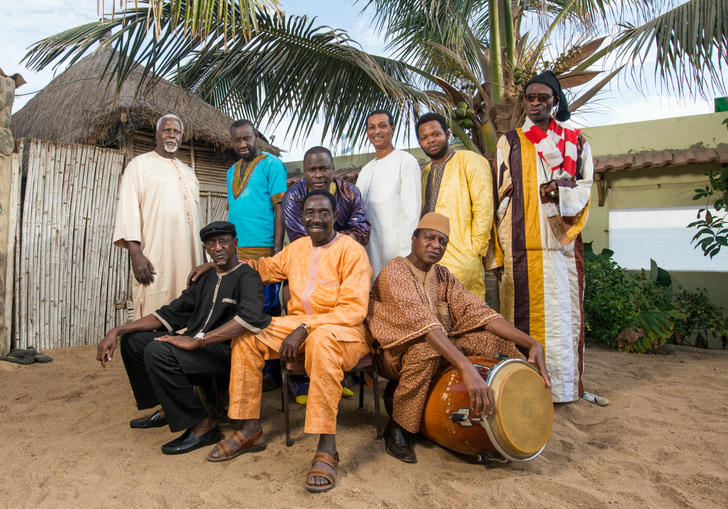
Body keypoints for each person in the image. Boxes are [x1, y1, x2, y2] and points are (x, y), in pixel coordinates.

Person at [206, 190, 373, 494]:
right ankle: (249, 429)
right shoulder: (296, 249)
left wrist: (307, 326)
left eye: (323, 213)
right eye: (309, 213)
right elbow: (264, 268)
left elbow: (353, 311)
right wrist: (221, 266)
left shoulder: (352, 251)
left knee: (321, 340)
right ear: (302, 217)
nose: (315, 219)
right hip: (297, 326)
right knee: (247, 335)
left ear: (334, 216)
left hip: (343, 332)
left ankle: (327, 447)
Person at [367, 212, 550, 463]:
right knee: (426, 350)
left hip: (442, 344)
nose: (436, 245)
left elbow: (480, 312)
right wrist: (465, 366)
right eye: (429, 238)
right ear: (413, 239)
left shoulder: (442, 276)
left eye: (442, 241)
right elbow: (425, 325)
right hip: (394, 354)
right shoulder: (395, 271)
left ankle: (516, 411)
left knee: (493, 342)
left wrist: (530, 343)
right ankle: (398, 426)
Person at [96, 221, 271, 455]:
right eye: (211, 243)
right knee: (135, 341)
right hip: (197, 350)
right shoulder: (205, 280)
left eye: (224, 241)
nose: (218, 247)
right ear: (206, 249)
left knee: (158, 351)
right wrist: (117, 331)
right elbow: (169, 313)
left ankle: (202, 426)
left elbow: (251, 318)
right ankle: (169, 407)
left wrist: (198, 340)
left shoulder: (247, 276)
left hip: (226, 355)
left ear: (235, 244)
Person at [493, 70, 603, 405]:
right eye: (530, 98)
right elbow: (500, 193)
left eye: (543, 97)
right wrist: (498, 249)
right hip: (519, 245)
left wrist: (558, 191)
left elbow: (584, 188)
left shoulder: (577, 141)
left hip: (561, 247)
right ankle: (522, 392)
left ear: (556, 101)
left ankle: (567, 388)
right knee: (519, 318)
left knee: (565, 320)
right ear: (523, 102)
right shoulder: (509, 141)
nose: (536, 103)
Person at [113, 114, 203, 319]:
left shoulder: (189, 172)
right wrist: (135, 254)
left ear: (181, 137)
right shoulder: (139, 165)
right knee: (155, 305)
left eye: (176, 131)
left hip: (189, 257)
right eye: (167, 130)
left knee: (188, 303)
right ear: (157, 134)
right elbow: (128, 211)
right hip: (154, 256)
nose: (172, 135)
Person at [417, 112, 494, 299]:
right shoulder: (425, 172)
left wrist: (475, 249)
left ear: (447, 134)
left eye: (436, 134)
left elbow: (484, 206)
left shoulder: (470, 160)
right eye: (425, 137)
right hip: (430, 260)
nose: (431, 141)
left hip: (463, 259)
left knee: (468, 315)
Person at [356, 110, 421, 278]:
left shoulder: (405, 162)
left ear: (392, 128)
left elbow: (412, 214)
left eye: (382, 126)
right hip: (370, 253)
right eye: (371, 127)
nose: (377, 131)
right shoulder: (365, 170)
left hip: (397, 254)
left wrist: (406, 257)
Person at [283, 146, 370, 246]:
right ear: (305, 172)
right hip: (309, 259)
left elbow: (362, 233)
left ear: (333, 169)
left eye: (323, 169)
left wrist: (323, 238)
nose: (318, 175)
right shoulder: (293, 197)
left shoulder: (350, 192)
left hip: (346, 256)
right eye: (312, 170)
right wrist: (337, 238)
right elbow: (301, 241)